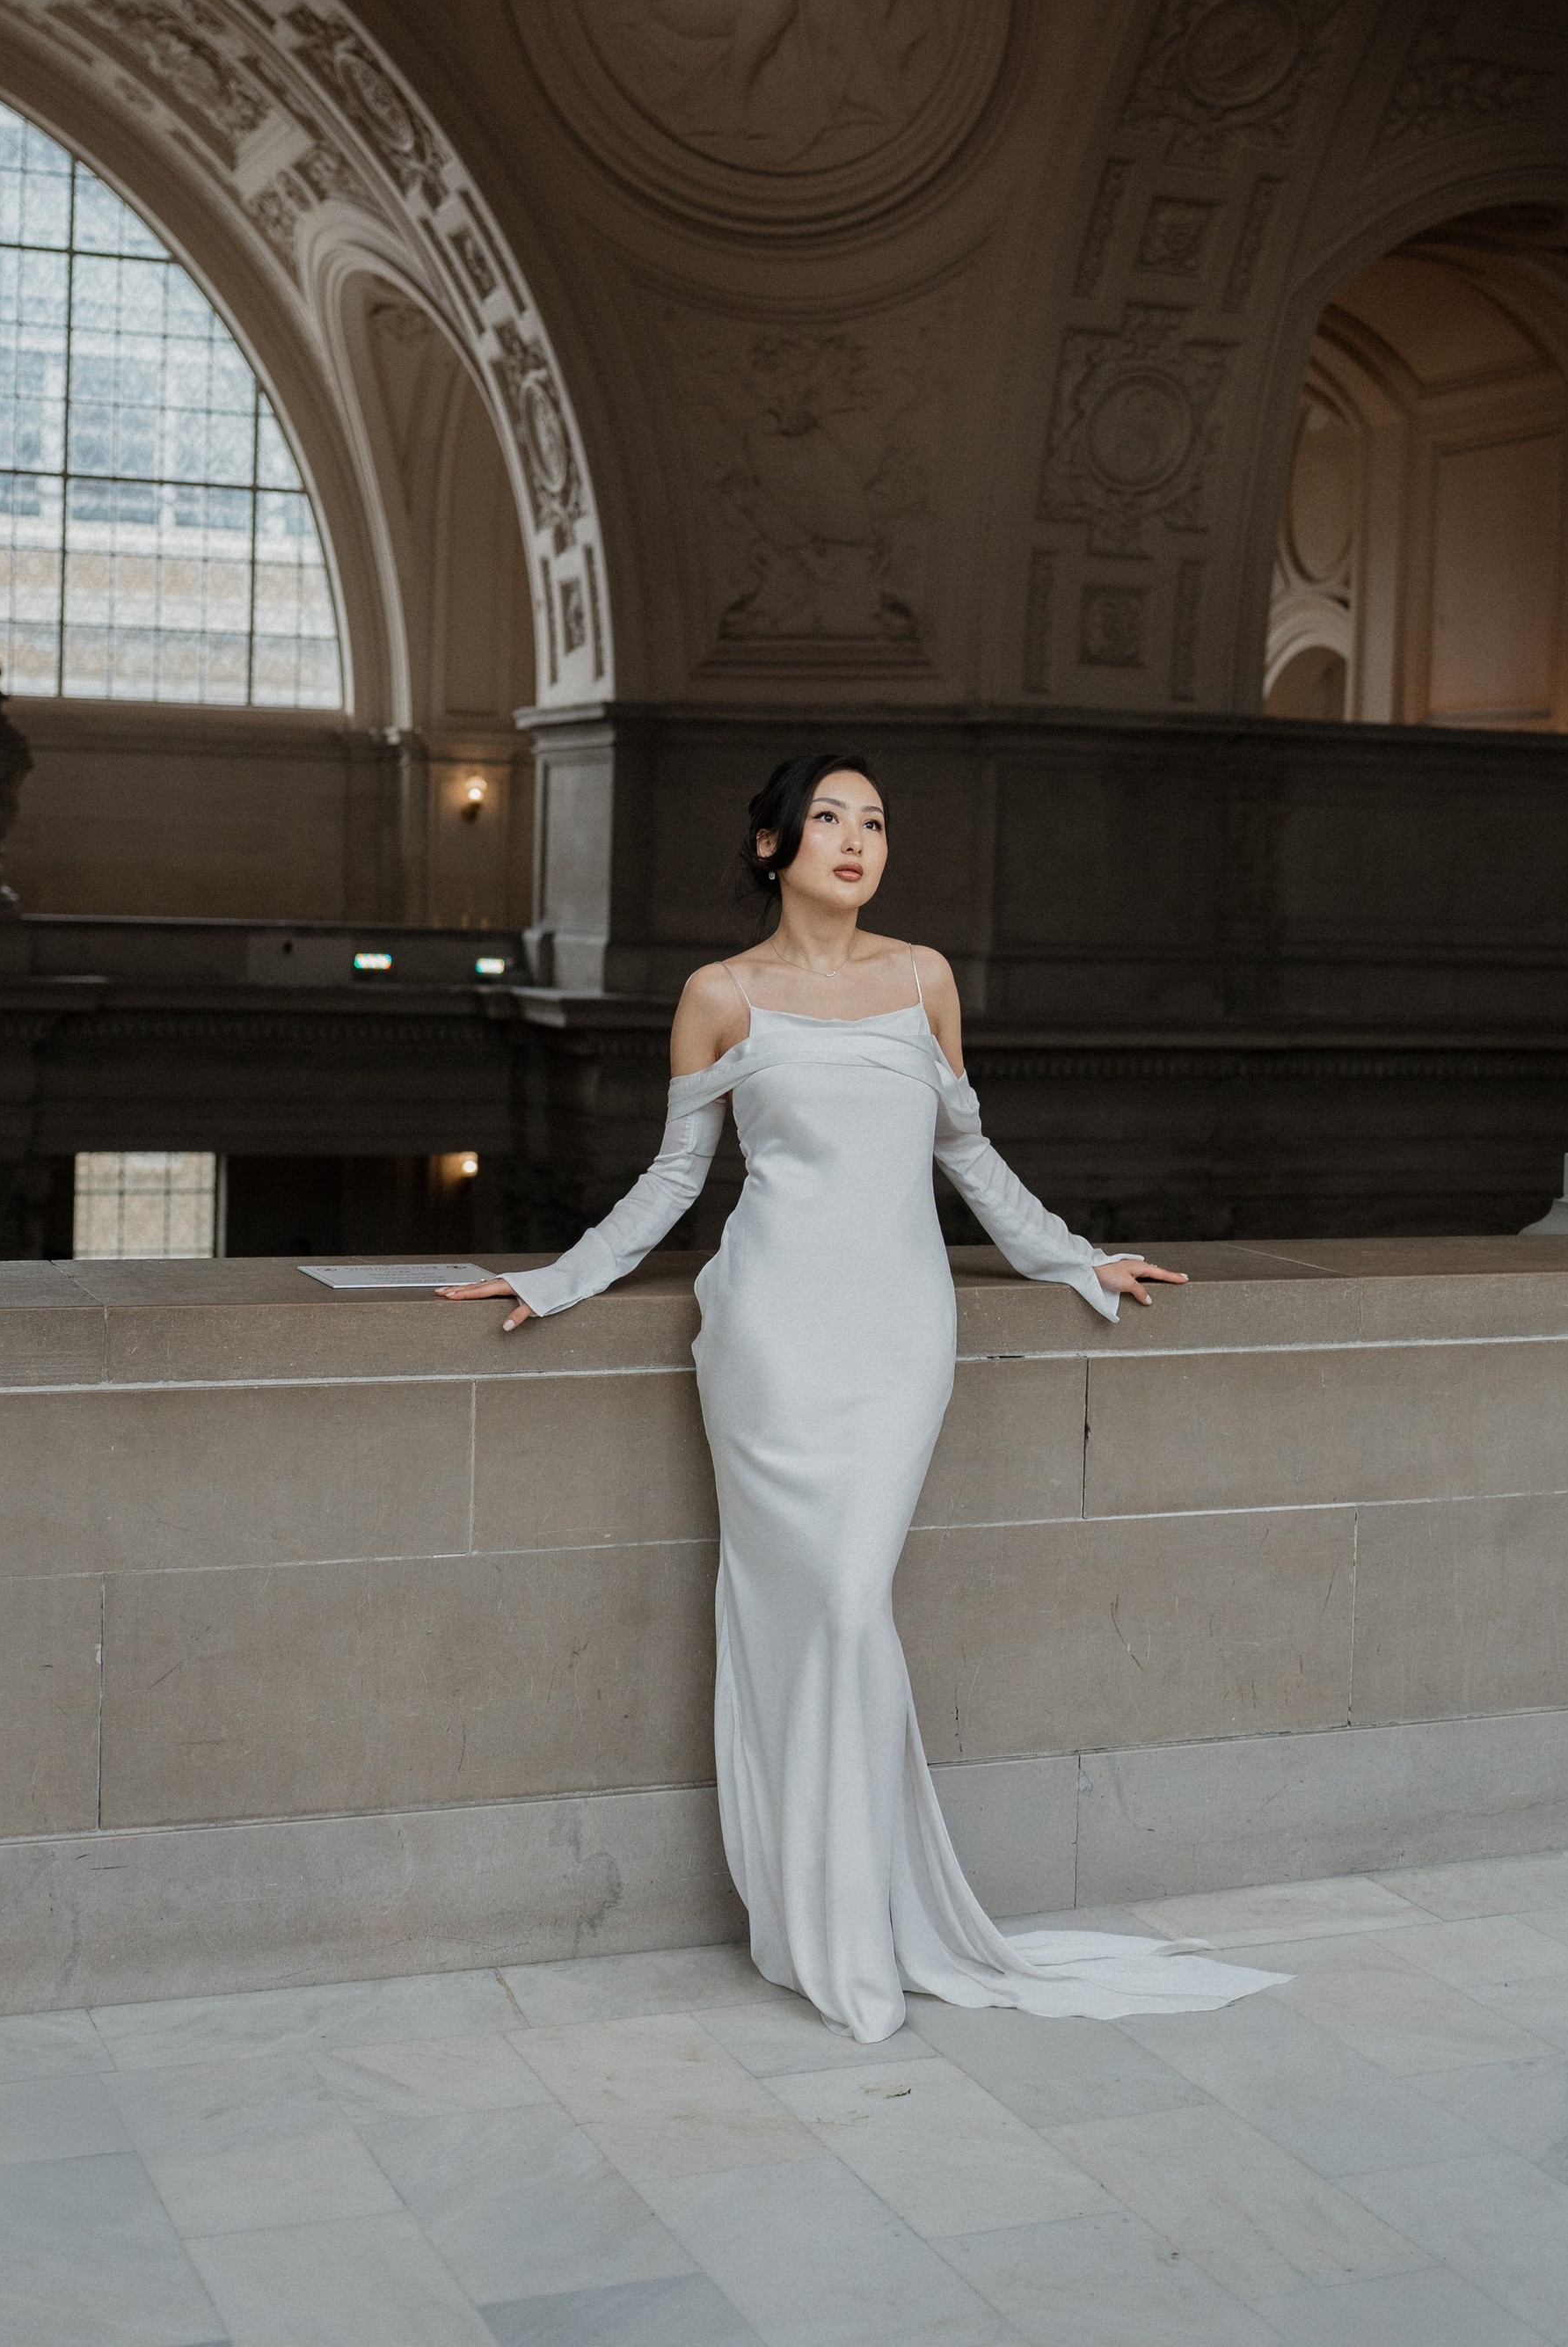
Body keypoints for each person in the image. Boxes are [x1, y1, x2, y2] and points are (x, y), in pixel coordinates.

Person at [442, 754, 1286, 2044]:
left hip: (897, 1340)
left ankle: (859, 1921)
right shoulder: (720, 998)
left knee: (845, 1606)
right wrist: (556, 1282)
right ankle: (821, 1926)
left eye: (876, 821)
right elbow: (675, 1183)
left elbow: (967, 1153)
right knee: (809, 1619)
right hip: (771, 1341)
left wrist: (1071, 1255)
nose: (857, 839)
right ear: (774, 845)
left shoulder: (923, 979)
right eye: (829, 818)